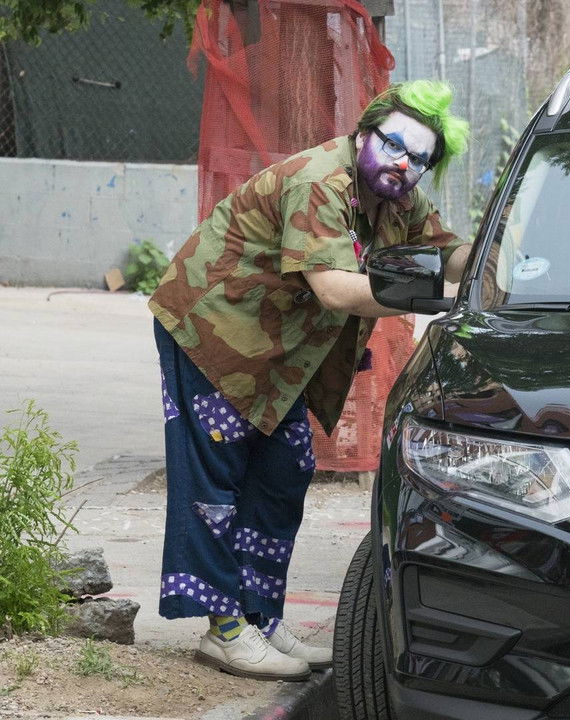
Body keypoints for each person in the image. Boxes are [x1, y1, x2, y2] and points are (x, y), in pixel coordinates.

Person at [148, 81, 470, 680]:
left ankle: (260, 617)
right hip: (212, 328)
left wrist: (503, 258)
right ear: (364, 133)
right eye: (393, 145)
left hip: (277, 346)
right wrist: (445, 300)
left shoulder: (396, 196)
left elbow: (447, 249)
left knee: (284, 470)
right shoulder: (321, 182)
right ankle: (224, 631)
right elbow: (335, 289)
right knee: (214, 481)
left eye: (419, 159)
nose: (403, 163)